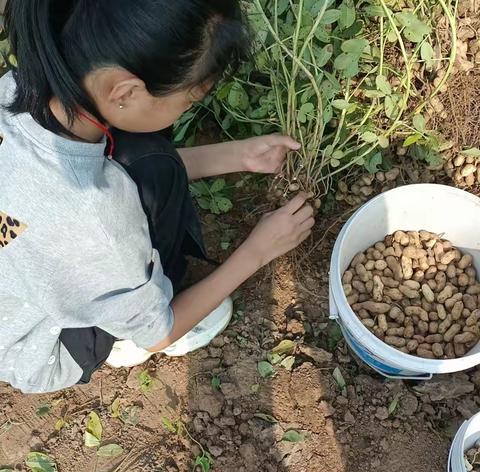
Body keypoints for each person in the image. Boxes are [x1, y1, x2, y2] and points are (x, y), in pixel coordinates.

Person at [0, 0, 315, 394]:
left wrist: (239, 156)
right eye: (190, 101)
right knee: (152, 167)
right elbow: (158, 333)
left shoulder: (23, 83)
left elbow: (95, 173)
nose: (185, 111)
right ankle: (117, 335)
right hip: (36, 342)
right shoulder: (98, 219)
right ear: (126, 90)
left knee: (149, 158)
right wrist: (259, 249)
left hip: (15, 278)